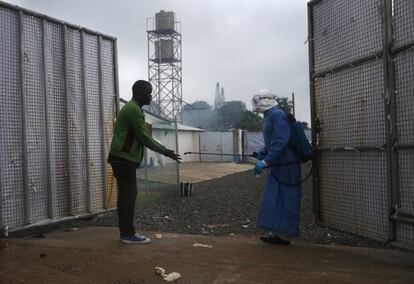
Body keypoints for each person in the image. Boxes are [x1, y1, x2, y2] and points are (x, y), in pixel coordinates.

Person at [108, 80, 181, 244]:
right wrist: (165, 151)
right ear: (139, 92)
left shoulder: (133, 109)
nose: (151, 95)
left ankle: (125, 232)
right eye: (148, 92)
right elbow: (143, 137)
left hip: (121, 157)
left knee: (126, 195)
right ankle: (127, 234)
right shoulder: (134, 110)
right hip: (124, 158)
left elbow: (139, 135)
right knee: (129, 195)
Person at [251, 88, 301, 245]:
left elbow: (280, 141)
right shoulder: (268, 116)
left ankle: (285, 235)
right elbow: (272, 143)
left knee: (286, 199)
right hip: (278, 165)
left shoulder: (277, 115)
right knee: (274, 199)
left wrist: (266, 161)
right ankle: (277, 232)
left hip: (287, 165)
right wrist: (263, 153)